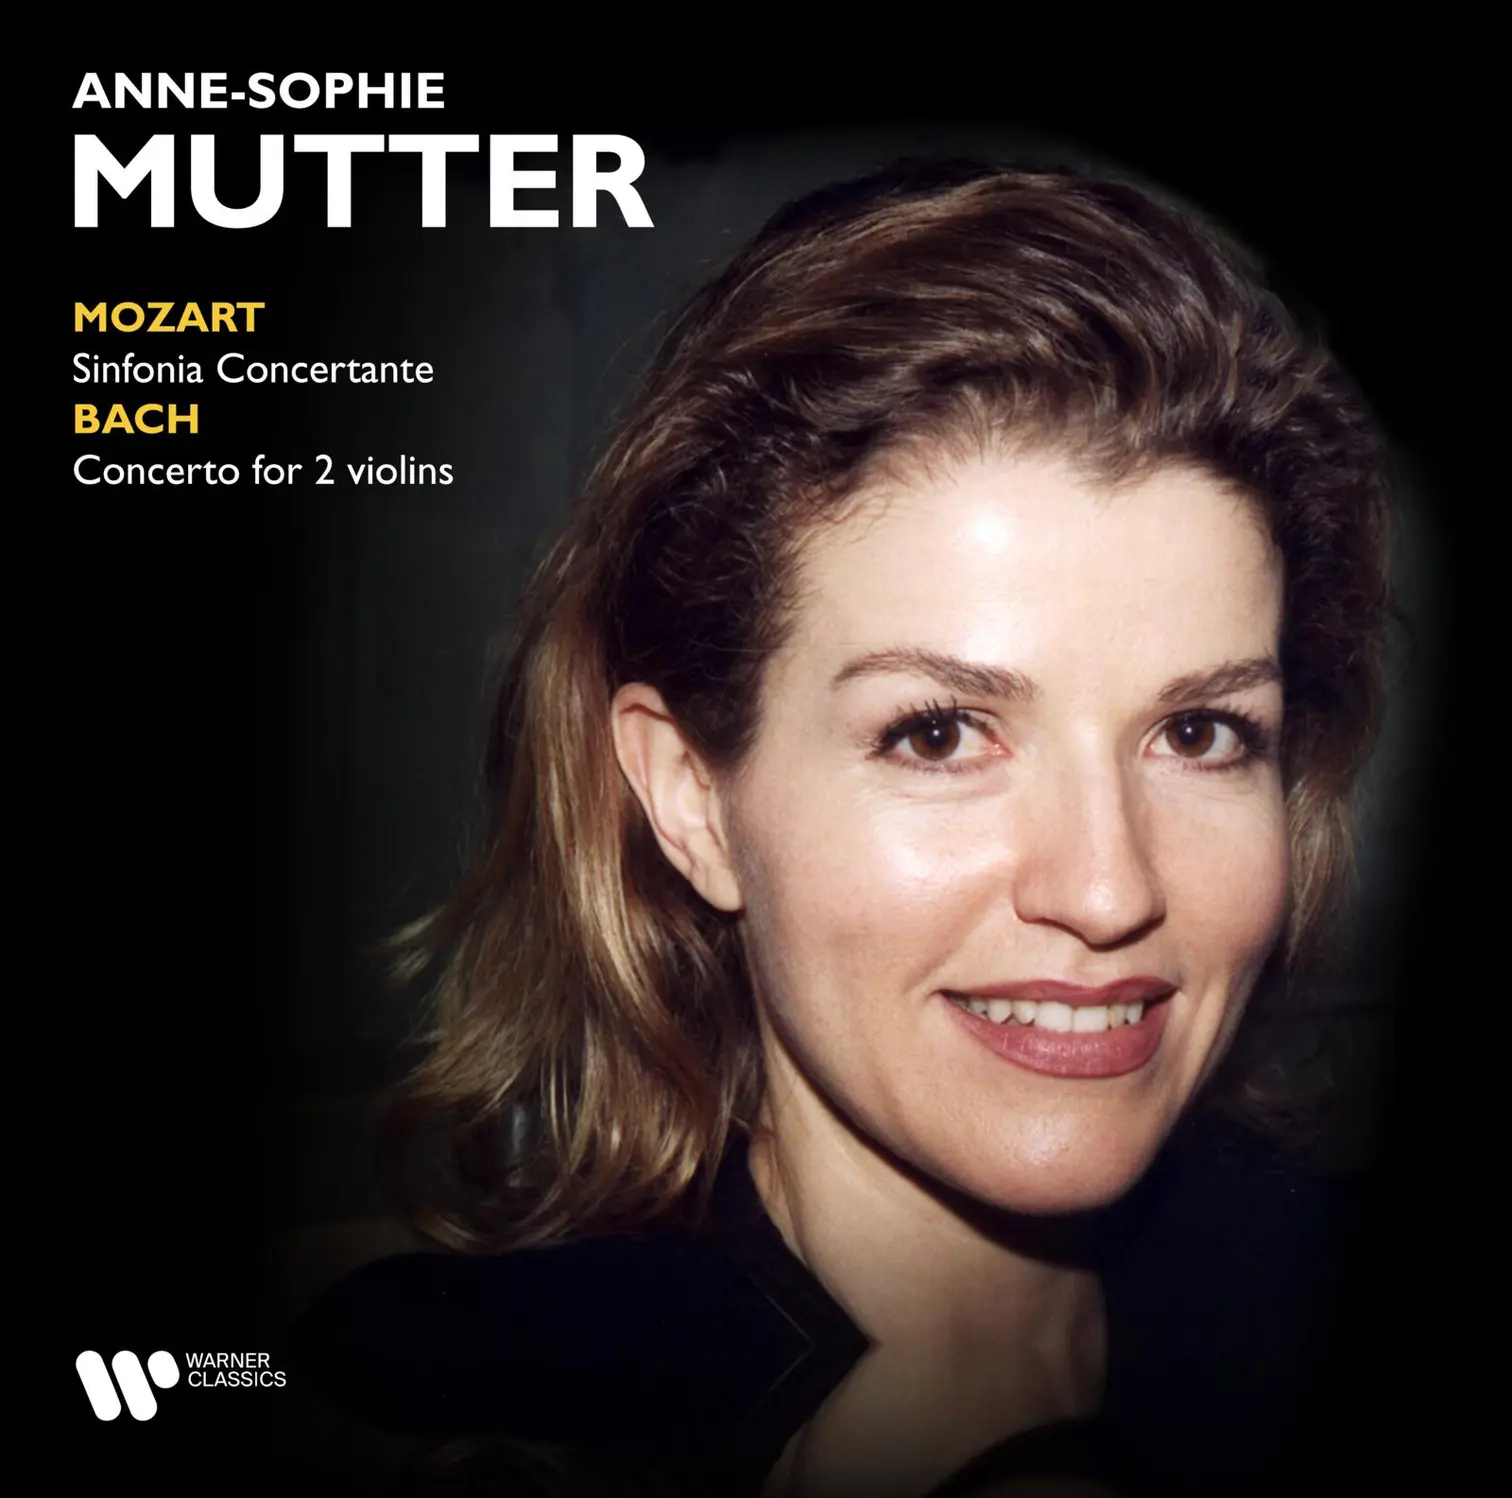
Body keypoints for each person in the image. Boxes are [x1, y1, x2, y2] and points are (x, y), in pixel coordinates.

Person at [292, 159, 1392, 1497]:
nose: (1109, 888)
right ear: (692, 798)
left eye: (1201, 732)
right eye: (939, 734)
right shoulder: (434, 1408)